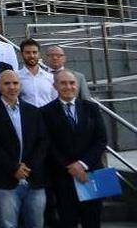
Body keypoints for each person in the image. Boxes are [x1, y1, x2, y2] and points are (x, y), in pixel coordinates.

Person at [41, 70, 108, 228]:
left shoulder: (91, 108)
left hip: (90, 175)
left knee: (92, 221)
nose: (68, 87)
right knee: (67, 221)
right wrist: (71, 166)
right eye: (63, 83)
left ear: (77, 85)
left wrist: (82, 165)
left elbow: (101, 140)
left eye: (72, 83)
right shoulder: (45, 112)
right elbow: (48, 145)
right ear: (55, 86)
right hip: (63, 177)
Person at [0, 70, 48, 228]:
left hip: (34, 179)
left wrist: (28, 167)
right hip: (5, 179)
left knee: (36, 224)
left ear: (20, 85)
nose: (12, 87)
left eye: (15, 83)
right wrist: (13, 168)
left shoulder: (34, 111)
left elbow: (43, 141)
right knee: (8, 224)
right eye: (7, 83)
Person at [18, 38, 57, 107]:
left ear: (39, 54)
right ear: (21, 54)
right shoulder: (17, 77)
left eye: (34, 52)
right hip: (27, 116)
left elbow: (55, 100)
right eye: (28, 52)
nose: (32, 56)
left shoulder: (50, 77)